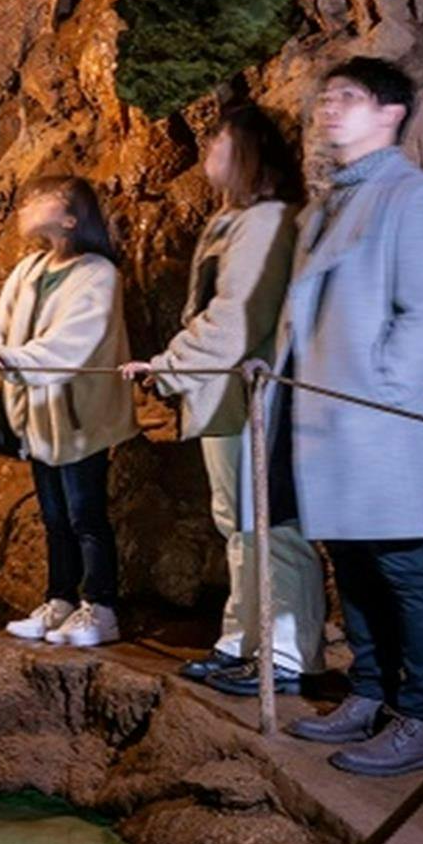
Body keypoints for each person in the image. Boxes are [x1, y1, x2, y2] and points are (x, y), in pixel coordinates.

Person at [266, 57, 423, 776]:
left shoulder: (416, 199)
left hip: (376, 417)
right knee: (350, 562)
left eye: (347, 98)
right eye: (324, 99)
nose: (328, 110)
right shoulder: (324, 206)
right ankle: (372, 692)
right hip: (327, 415)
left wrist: (377, 393)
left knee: (404, 564)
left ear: (391, 113)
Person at [121, 104, 326, 698]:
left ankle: (289, 654)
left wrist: (170, 365)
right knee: (238, 523)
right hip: (228, 392)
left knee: (271, 524)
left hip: (257, 393)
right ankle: (245, 641)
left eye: (219, 141)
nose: (207, 149)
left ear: (249, 153)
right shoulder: (235, 222)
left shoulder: (266, 221)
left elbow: (237, 316)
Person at [0, 176, 139, 647]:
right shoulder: (28, 271)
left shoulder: (99, 273)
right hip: (37, 416)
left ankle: (101, 609)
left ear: (71, 218)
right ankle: (59, 600)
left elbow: (74, 341)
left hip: (79, 416)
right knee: (53, 516)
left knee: (86, 515)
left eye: (41, 200)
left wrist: (19, 359)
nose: (26, 205)